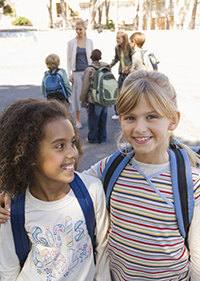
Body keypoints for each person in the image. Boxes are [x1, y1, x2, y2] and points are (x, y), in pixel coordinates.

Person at [1, 72, 200, 280]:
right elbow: (66, 180)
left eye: (152, 116)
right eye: (130, 117)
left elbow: (197, 260)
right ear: (120, 119)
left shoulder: (190, 183)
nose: (140, 128)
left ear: (173, 120)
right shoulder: (112, 167)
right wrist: (12, 190)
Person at [0, 98, 111, 281]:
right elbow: (8, 270)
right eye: (60, 146)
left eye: (73, 142)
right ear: (29, 154)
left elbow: (103, 251)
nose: (72, 153)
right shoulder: (11, 209)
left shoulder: (91, 191)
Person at [67, 19, 93, 129]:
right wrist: (69, 73)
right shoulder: (71, 42)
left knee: (88, 96)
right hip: (76, 72)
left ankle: (89, 117)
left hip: (88, 72)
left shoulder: (89, 41)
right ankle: (77, 120)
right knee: (77, 97)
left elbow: (91, 57)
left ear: (85, 29)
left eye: (80, 29)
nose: (78, 31)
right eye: (76, 29)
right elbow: (68, 59)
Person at [80, 49, 110, 144]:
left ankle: (93, 138)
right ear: (100, 57)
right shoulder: (106, 67)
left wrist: (84, 99)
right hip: (105, 98)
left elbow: (85, 86)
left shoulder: (89, 69)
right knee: (103, 119)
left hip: (94, 99)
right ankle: (102, 138)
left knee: (93, 119)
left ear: (91, 57)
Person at [110, 31, 132, 120]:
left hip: (129, 74)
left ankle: (129, 113)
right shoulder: (117, 47)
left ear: (124, 39)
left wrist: (130, 67)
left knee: (129, 94)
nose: (117, 40)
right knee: (117, 93)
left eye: (118, 38)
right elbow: (115, 59)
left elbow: (133, 59)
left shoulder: (129, 47)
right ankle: (117, 113)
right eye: (116, 38)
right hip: (122, 73)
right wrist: (109, 66)